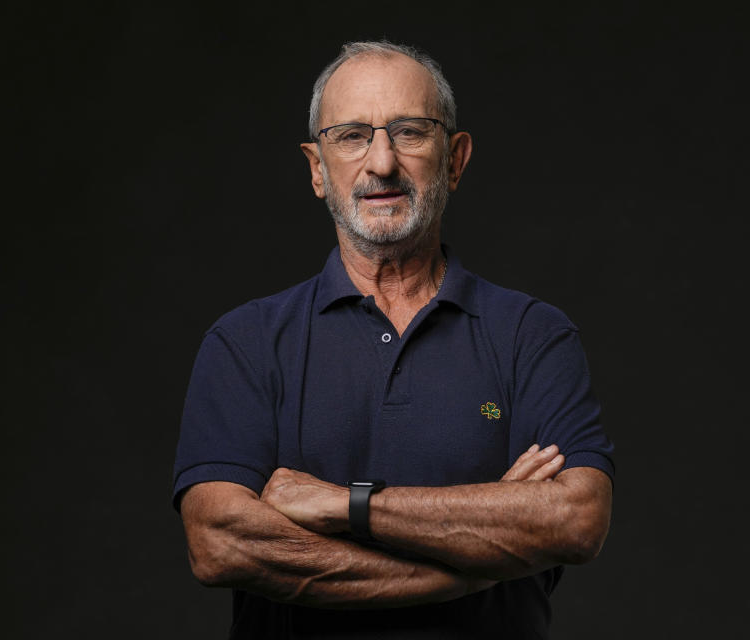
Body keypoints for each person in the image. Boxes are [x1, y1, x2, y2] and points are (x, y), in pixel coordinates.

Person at [172, 40, 614, 639]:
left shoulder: (531, 335)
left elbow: (576, 518)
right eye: (351, 135)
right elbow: (221, 544)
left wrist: (344, 505)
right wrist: (473, 564)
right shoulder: (246, 343)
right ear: (316, 169)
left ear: (454, 160)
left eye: (409, 131)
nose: (381, 162)